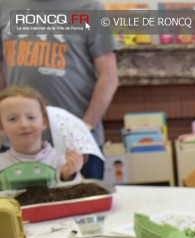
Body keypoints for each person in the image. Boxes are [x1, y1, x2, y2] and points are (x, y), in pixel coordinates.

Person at [0, 0, 119, 179]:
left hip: (76, 146)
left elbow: (108, 77)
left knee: (85, 205)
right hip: (15, 145)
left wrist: (83, 132)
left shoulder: (90, 8)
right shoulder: (4, 6)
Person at [0, 85, 83, 181]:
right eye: (12, 119)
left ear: (44, 122)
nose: (23, 125)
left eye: (31, 117)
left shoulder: (61, 160)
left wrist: (69, 175)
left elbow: (77, 190)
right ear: (1, 126)